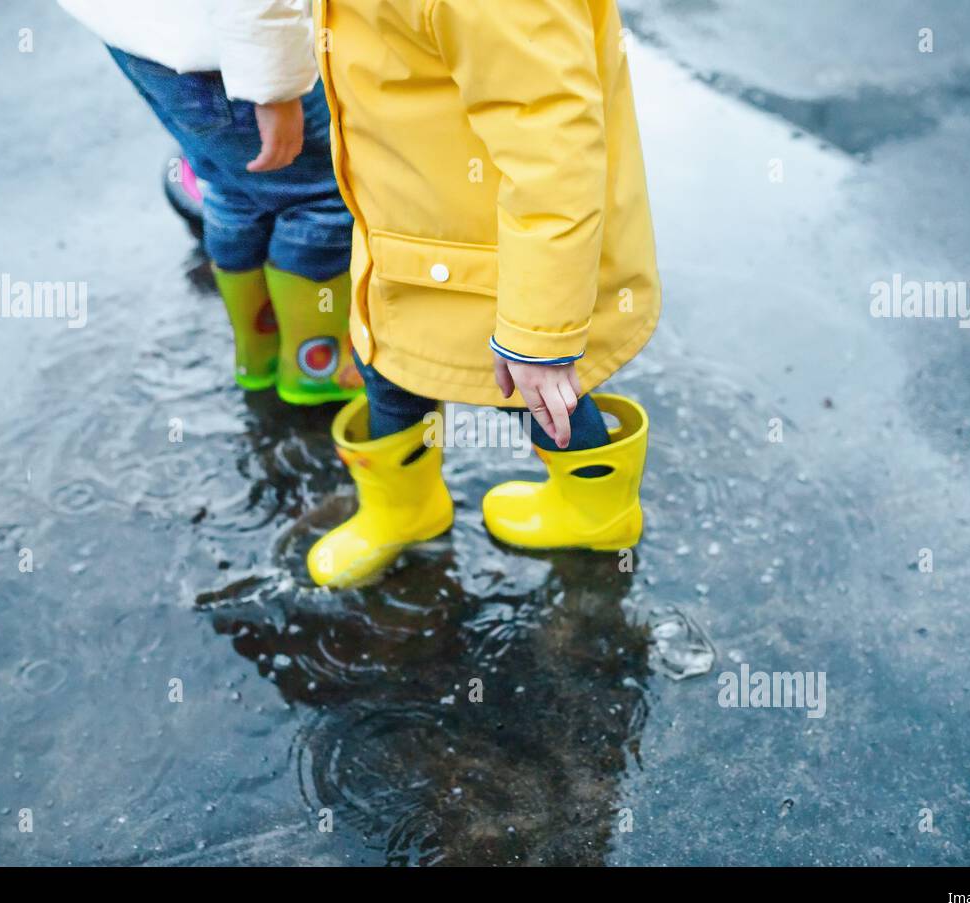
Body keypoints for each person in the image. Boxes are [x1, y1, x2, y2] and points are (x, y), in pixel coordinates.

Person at [306, 0, 660, 587]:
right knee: (388, 370)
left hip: (493, 258)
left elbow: (554, 150)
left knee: (535, 390)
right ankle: (406, 507)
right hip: (408, 232)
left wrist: (539, 331)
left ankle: (596, 511)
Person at [59, 0, 362, 403]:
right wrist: (274, 88)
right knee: (322, 196)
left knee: (232, 186)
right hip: (226, 51)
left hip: (143, 37)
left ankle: (261, 355)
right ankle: (315, 367)